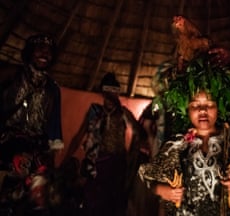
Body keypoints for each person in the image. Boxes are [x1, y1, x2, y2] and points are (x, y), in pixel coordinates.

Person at [138, 37, 230, 215]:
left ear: (219, 108)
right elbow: (149, 179)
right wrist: (163, 191)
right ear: (186, 109)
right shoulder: (177, 146)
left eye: (209, 104)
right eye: (195, 105)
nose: (202, 110)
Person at [64, 72, 146, 216]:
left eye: (114, 91)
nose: (110, 95)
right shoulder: (94, 111)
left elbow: (139, 132)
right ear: (102, 92)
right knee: (92, 204)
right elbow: (79, 136)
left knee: (113, 206)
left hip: (116, 166)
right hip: (95, 165)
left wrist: (131, 156)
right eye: (107, 91)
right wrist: (66, 159)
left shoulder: (123, 113)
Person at [0, 33, 63, 215]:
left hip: (36, 150)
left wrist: (50, 156)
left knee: (35, 203)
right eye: (39, 49)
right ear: (29, 53)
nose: (45, 53)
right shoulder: (11, 76)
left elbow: (54, 124)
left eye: (49, 51)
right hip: (6, 146)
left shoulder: (53, 89)